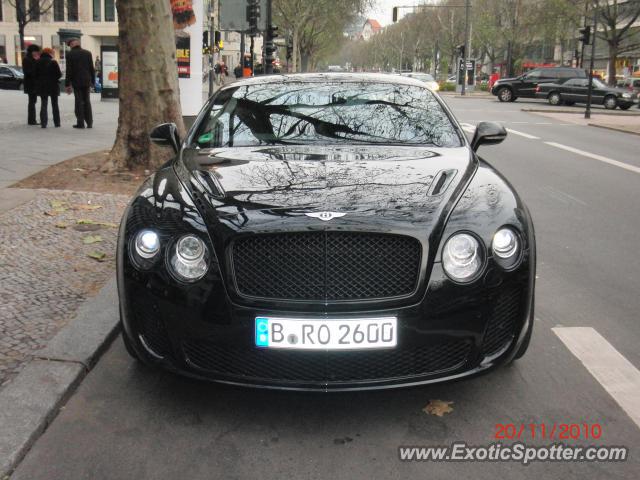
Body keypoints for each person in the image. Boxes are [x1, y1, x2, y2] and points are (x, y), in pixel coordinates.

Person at [64, 38, 95, 129]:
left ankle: (80, 122)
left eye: (70, 45)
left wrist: (67, 84)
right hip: (86, 80)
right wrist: (92, 80)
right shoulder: (87, 53)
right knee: (87, 101)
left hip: (77, 81)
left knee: (78, 101)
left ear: (72, 45)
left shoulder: (70, 54)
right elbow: (91, 68)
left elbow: (69, 70)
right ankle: (89, 122)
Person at [35, 48, 62, 128]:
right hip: (53, 85)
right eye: (52, 53)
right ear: (50, 53)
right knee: (55, 104)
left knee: (44, 104)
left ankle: (43, 123)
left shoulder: (38, 62)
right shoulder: (53, 62)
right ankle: (57, 123)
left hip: (42, 86)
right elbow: (59, 74)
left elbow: (35, 74)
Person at [22, 44, 41, 125]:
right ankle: (31, 120)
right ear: (32, 52)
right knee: (32, 102)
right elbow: (28, 72)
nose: (37, 53)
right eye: (36, 52)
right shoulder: (27, 59)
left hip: (33, 83)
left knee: (33, 101)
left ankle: (32, 119)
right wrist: (36, 61)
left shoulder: (30, 59)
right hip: (30, 83)